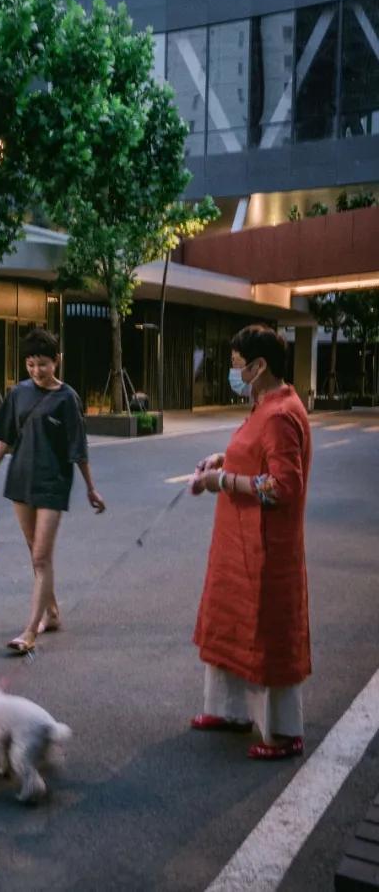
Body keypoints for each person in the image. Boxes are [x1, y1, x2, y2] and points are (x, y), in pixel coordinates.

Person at [188, 325, 312, 760]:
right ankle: (231, 711)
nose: (233, 371)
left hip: (265, 549)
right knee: (231, 622)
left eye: (238, 364)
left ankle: (281, 732)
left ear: (260, 367)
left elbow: (282, 486)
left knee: (266, 632)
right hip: (239, 544)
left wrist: (221, 480)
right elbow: (251, 451)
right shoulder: (266, 404)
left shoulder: (279, 414)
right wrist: (221, 459)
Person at [0, 328, 106, 656]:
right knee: (35, 550)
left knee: (41, 556)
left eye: (43, 364)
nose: (36, 371)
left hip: (52, 482)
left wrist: (90, 488)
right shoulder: (19, 393)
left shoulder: (67, 399)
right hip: (20, 479)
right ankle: (54, 612)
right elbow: (5, 436)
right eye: (30, 364)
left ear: (57, 361)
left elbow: (78, 448)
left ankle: (30, 631)